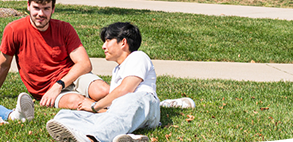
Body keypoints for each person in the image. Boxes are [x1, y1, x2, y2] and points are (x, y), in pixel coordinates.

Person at [44, 22, 195, 142]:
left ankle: (91, 138)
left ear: (123, 42)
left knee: (128, 100)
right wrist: (92, 110)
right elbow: (115, 109)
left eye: (108, 40)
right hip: (124, 112)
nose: (103, 46)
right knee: (64, 116)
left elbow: (126, 90)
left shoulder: (138, 57)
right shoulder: (117, 71)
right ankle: (130, 138)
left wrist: (94, 106)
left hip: (145, 107)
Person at [0, 0, 109, 109]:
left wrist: (59, 84)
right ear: (28, 6)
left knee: (103, 91)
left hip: (72, 77)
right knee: (76, 101)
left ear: (53, 9)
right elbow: (3, 65)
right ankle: (108, 113)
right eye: (36, 8)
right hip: (46, 90)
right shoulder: (14, 30)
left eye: (46, 8)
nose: (40, 14)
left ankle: (115, 109)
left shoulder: (64, 28)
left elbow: (85, 64)